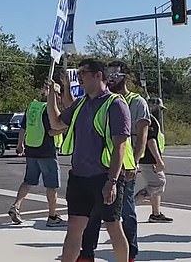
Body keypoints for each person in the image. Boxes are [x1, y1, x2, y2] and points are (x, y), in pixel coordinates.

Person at [46, 59, 134, 262]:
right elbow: (57, 122)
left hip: (104, 177)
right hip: (79, 177)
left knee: (113, 226)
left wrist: (111, 182)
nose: (79, 79)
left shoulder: (116, 104)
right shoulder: (81, 103)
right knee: (74, 227)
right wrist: (52, 94)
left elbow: (120, 145)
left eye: (82, 74)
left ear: (98, 75)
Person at [78, 60, 150, 262]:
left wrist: (134, 161)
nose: (111, 77)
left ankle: (130, 254)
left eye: (115, 74)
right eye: (109, 73)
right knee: (92, 213)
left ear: (125, 76)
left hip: (125, 166)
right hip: (103, 166)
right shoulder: (104, 100)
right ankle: (87, 253)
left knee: (125, 212)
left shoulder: (136, 102)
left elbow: (141, 136)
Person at [8, 83, 67, 227]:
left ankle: (16, 206)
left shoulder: (32, 106)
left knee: (29, 181)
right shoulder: (49, 109)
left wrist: (19, 144)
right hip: (46, 150)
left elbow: (23, 127)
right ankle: (52, 216)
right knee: (51, 185)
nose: (59, 98)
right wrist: (67, 126)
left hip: (31, 149)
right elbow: (52, 130)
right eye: (57, 94)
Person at [134, 98, 172, 223]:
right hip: (150, 159)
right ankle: (128, 205)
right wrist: (158, 160)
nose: (160, 112)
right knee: (158, 183)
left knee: (156, 186)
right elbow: (151, 141)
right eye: (159, 109)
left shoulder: (149, 119)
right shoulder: (149, 120)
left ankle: (156, 213)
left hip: (149, 158)